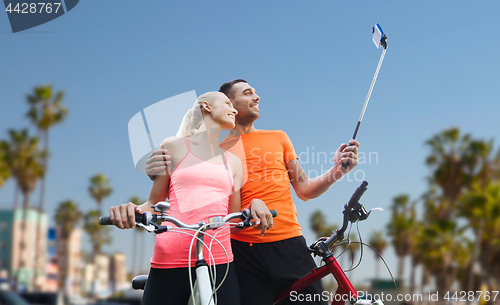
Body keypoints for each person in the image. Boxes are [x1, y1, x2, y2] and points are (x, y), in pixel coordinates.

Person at [146, 80, 361, 305]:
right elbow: (184, 183)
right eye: (248, 93)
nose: (257, 97)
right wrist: (156, 169)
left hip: (288, 245)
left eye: (256, 93)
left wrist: (337, 171)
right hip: (240, 254)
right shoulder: (215, 152)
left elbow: (304, 189)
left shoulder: (279, 137)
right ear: (230, 104)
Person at [109, 91, 273, 305]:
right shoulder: (173, 146)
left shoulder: (233, 162)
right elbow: (153, 204)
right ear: (206, 106)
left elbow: (232, 221)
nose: (234, 110)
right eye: (227, 103)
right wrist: (131, 210)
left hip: (219, 259)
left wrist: (255, 204)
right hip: (170, 257)